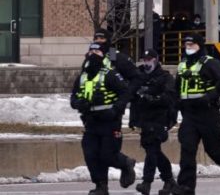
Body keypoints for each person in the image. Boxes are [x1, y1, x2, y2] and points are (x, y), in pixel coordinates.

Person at [172, 34, 220, 195]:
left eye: (192, 45)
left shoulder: (210, 63)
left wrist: (210, 97)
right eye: (186, 45)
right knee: (187, 149)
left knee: (215, 151)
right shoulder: (183, 64)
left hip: (208, 113)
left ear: (199, 46)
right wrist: (176, 103)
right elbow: (177, 88)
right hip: (189, 114)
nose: (188, 47)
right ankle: (186, 186)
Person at [71, 42, 136, 195]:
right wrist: (80, 103)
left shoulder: (110, 74)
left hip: (109, 121)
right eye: (91, 51)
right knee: (91, 154)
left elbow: (126, 93)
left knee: (107, 155)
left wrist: (115, 110)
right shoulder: (82, 77)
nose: (93, 54)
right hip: (90, 122)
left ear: (103, 55)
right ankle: (101, 186)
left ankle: (125, 163)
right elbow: (73, 98)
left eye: (97, 52)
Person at [130, 49, 177, 195]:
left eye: (149, 59)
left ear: (156, 60)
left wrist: (154, 98)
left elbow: (170, 98)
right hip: (145, 119)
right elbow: (133, 97)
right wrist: (133, 119)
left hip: (159, 118)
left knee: (151, 148)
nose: (146, 62)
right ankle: (169, 181)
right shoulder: (139, 76)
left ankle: (147, 182)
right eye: (144, 59)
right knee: (153, 150)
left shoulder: (164, 77)